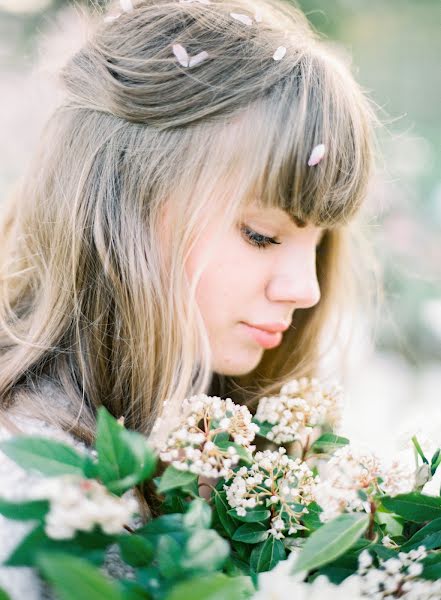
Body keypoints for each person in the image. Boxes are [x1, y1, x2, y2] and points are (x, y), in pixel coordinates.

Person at [0, 0, 381, 596]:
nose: (305, 290)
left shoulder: (265, 484)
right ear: (121, 208)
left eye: (318, 244)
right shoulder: (24, 490)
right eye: (263, 235)